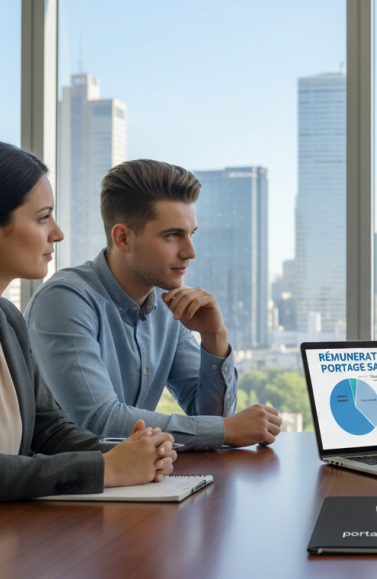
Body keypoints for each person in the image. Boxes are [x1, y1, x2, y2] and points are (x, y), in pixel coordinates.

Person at [0, 140, 177, 544]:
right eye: (43, 218)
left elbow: (49, 428)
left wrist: (128, 450)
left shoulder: (7, 318)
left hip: (1, 536)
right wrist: (107, 469)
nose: (57, 232)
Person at [25, 159, 282, 451]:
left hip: (135, 483)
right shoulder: (64, 300)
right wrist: (225, 429)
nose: (190, 252)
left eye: (191, 234)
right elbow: (98, 421)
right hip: (67, 489)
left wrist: (215, 338)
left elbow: (213, 422)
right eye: (173, 235)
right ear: (123, 238)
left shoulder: (166, 308)